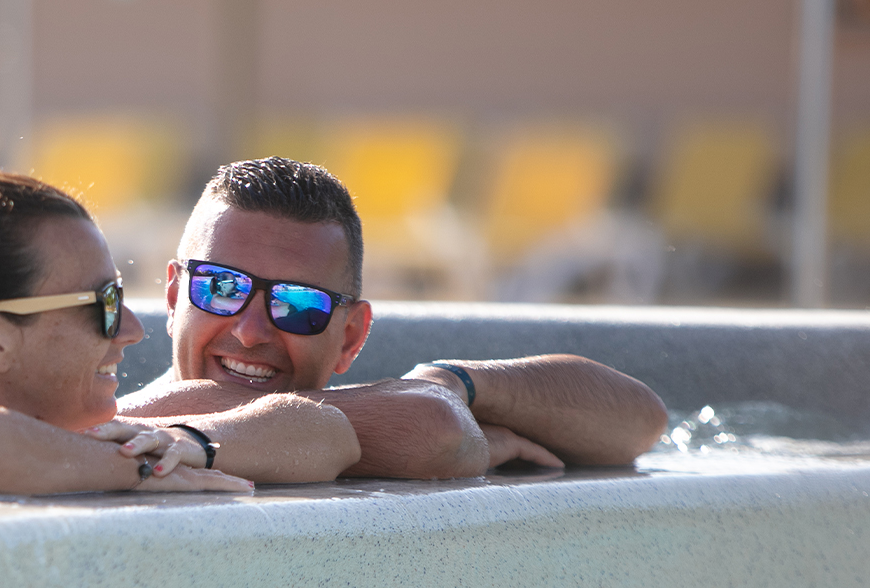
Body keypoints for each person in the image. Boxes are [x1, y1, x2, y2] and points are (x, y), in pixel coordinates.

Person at [0, 171, 358, 495]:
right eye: (102, 304)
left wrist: (189, 446)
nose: (130, 329)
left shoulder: (76, 440)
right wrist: (139, 470)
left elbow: (325, 431)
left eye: (123, 298)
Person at [118, 157, 669, 479]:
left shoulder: (361, 408)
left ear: (350, 336)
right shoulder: (117, 425)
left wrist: (453, 383)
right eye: (221, 287)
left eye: (298, 305)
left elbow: (641, 419)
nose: (250, 330)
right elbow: (434, 428)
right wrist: (425, 412)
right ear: (173, 296)